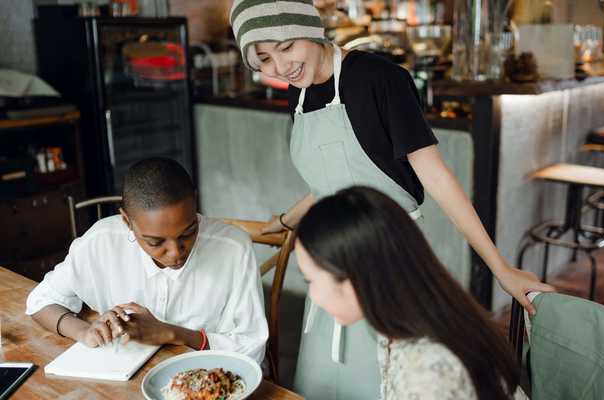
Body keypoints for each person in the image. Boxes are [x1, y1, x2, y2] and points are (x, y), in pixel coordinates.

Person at [229, 1, 553, 397]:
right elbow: (330, 184)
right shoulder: (299, 93)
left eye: (287, 46)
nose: (280, 67)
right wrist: (283, 222)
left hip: (391, 269)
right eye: (264, 58)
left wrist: (501, 269)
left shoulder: (381, 79)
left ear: (313, 31)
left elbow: (436, 177)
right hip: (335, 273)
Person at [295, 186, 529, 400]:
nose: (313, 296)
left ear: (354, 280)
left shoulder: (428, 375)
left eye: (311, 281)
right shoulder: (414, 317)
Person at [26, 158, 268, 363]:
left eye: (188, 232)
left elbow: (252, 347)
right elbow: (40, 301)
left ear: (196, 203)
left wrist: (173, 334)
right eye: (155, 242)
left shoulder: (233, 249)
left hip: (207, 376)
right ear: (126, 221)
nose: (175, 253)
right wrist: (84, 331)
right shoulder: (102, 241)